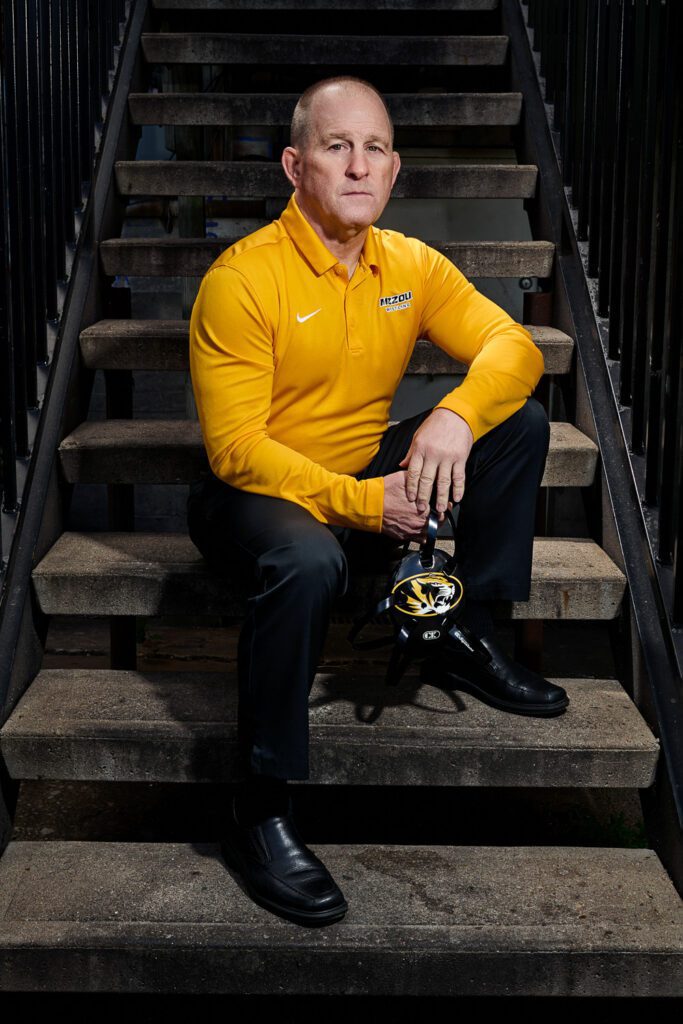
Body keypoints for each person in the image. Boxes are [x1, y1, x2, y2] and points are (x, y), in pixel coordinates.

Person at [187, 76, 569, 928]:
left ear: (393, 168)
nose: (358, 166)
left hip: (362, 470)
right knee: (306, 554)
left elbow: (513, 347)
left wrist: (452, 418)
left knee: (516, 424)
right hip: (254, 494)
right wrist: (364, 505)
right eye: (335, 146)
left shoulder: (409, 265)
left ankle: (458, 628)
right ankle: (260, 807)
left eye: (374, 149)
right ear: (295, 166)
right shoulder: (241, 280)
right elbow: (237, 450)